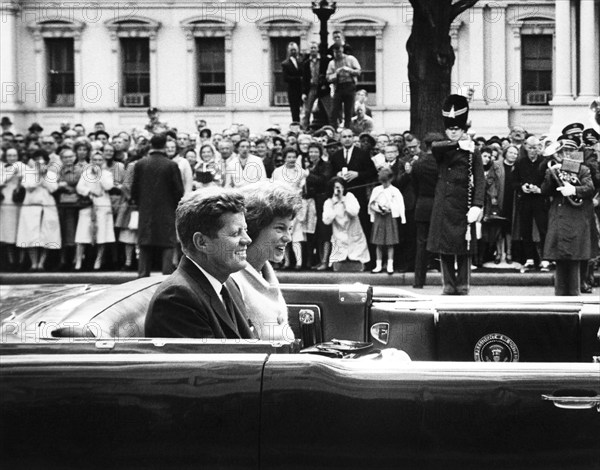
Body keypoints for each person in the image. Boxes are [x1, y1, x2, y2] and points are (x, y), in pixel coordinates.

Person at [145, 188, 255, 339]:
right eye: (236, 233)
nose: (247, 239)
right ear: (202, 242)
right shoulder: (176, 300)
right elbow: (217, 363)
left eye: (245, 230)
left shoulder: (228, 283)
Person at [427, 94, 485, 295]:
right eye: (451, 129)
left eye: (457, 129)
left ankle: (463, 284)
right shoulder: (444, 148)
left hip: (464, 204)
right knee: (445, 249)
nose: (453, 132)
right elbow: (435, 147)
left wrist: (477, 204)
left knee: (464, 248)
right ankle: (448, 284)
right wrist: (458, 144)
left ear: (462, 130)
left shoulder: (473, 151)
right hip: (444, 204)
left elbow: (480, 180)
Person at [232, 183, 301, 341]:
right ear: (254, 228)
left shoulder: (265, 272)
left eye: (290, 229)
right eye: (280, 228)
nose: (288, 238)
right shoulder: (232, 280)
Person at [541, 140, 595, 295]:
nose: (566, 155)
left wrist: (574, 190)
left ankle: (574, 295)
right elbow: (545, 190)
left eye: (570, 151)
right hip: (559, 216)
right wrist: (550, 174)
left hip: (575, 217)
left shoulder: (582, 169)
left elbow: (589, 188)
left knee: (573, 257)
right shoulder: (555, 168)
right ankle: (560, 297)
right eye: (563, 152)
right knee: (560, 257)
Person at [131, 133, 184, 278]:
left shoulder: (140, 164)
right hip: (166, 210)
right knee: (167, 243)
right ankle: (166, 276)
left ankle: (142, 276)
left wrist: (139, 203)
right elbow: (179, 191)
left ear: (151, 145)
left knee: (144, 243)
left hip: (146, 210)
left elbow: (134, 190)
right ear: (164, 146)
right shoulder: (171, 165)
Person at [15, 149, 62, 271]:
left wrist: (45, 175)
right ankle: (33, 263)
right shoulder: (28, 173)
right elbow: (29, 187)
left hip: (47, 207)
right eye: (36, 160)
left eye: (41, 160)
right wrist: (38, 175)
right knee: (30, 236)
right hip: (31, 207)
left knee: (47, 235)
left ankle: (41, 263)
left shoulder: (51, 174)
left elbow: (53, 188)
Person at [74, 150, 116, 270]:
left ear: (103, 161)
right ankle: (78, 262)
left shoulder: (107, 174)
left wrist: (99, 176)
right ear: (91, 161)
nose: (97, 162)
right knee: (82, 235)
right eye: (95, 160)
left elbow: (109, 186)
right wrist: (90, 191)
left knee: (102, 235)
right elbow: (79, 187)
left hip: (103, 207)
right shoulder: (86, 173)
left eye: (100, 160)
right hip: (88, 206)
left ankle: (98, 262)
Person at [410, 133, 441, 288]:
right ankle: (448, 280)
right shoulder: (442, 164)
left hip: (422, 204)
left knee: (421, 244)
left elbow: (414, 186)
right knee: (444, 243)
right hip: (439, 205)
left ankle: (418, 281)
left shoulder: (418, 164)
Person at [323, 176, 370, 269]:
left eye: (340, 187)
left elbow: (354, 212)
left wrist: (343, 201)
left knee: (357, 260)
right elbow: (326, 220)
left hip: (354, 234)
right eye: (335, 187)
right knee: (340, 263)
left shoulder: (350, 197)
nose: (338, 190)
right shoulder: (328, 202)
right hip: (339, 237)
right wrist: (334, 203)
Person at [368, 167, 405, 274]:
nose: (384, 184)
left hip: (390, 218)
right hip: (379, 218)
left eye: (386, 181)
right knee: (378, 243)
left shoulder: (395, 191)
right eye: (382, 181)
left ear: (391, 179)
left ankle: (390, 265)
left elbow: (399, 205)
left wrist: (390, 209)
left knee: (390, 243)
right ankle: (378, 265)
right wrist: (378, 209)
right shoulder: (376, 190)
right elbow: (371, 204)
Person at [0, 147, 27, 269]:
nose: (12, 158)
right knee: (8, 231)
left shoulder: (23, 166)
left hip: (21, 200)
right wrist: (11, 171)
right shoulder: (3, 167)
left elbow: (30, 179)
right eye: (9, 155)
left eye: (14, 155)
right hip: (6, 201)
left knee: (21, 230)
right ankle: (11, 261)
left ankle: (21, 261)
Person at [326, 44, 361, 129]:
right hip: (338, 87)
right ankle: (333, 129)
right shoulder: (332, 63)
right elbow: (328, 77)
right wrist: (336, 73)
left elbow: (359, 71)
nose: (338, 54)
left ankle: (348, 129)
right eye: (335, 52)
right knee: (334, 111)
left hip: (349, 86)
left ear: (342, 50)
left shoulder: (351, 59)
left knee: (349, 111)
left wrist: (349, 70)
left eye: (339, 51)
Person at [281, 42, 303, 124]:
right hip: (293, 90)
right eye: (291, 50)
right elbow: (286, 78)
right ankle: (296, 126)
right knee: (295, 111)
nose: (293, 51)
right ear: (288, 51)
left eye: (295, 50)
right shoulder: (285, 64)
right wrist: (299, 79)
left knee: (305, 110)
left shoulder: (302, 60)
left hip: (303, 89)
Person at [301, 41, 321, 130]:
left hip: (322, 88)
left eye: (314, 48)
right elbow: (304, 79)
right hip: (311, 88)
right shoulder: (306, 63)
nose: (313, 50)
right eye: (311, 48)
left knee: (328, 109)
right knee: (307, 110)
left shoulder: (323, 60)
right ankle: (305, 128)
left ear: (318, 49)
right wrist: (304, 92)